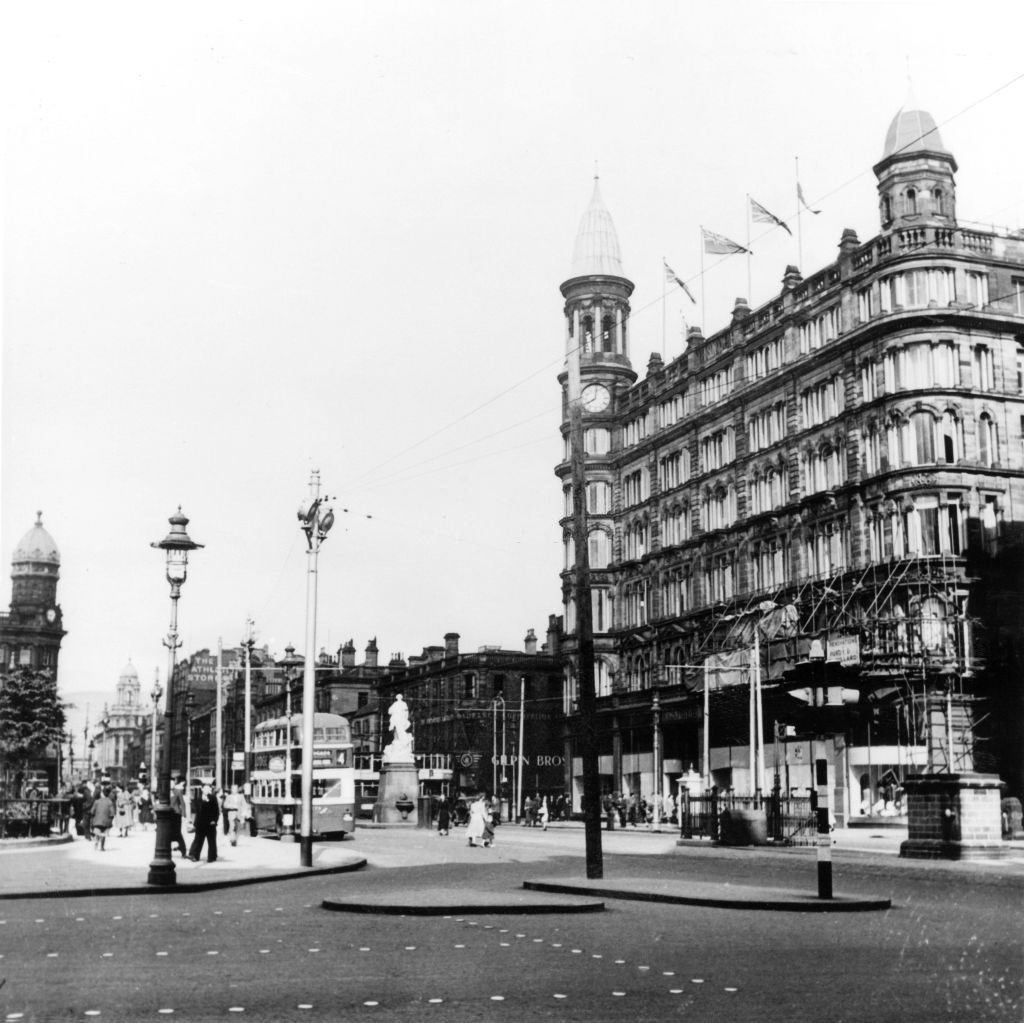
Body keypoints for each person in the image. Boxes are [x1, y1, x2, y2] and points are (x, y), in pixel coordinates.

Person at [187, 784, 220, 862]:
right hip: (200, 823)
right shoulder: (198, 798)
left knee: (211, 841)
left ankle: (212, 857)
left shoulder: (213, 798)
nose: (207, 790)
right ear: (202, 789)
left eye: (208, 788)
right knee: (198, 840)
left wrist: (214, 820)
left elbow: (216, 811)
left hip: (210, 823)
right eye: (205, 788)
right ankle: (195, 856)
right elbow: (197, 810)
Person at [91, 786, 115, 851]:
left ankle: (96, 840)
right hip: (106, 821)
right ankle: (102, 847)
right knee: (104, 833)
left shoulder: (97, 801)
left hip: (97, 821)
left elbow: (92, 811)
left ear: (102, 793)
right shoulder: (110, 802)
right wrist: (110, 820)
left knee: (98, 831)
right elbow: (112, 813)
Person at [169, 780, 188, 858]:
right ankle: (168, 851)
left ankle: (183, 850)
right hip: (168, 815)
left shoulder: (178, 792)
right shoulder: (165, 793)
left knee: (177, 833)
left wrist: (183, 815)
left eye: (172, 784)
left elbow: (182, 803)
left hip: (176, 815)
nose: (171, 785)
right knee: (168, 833)